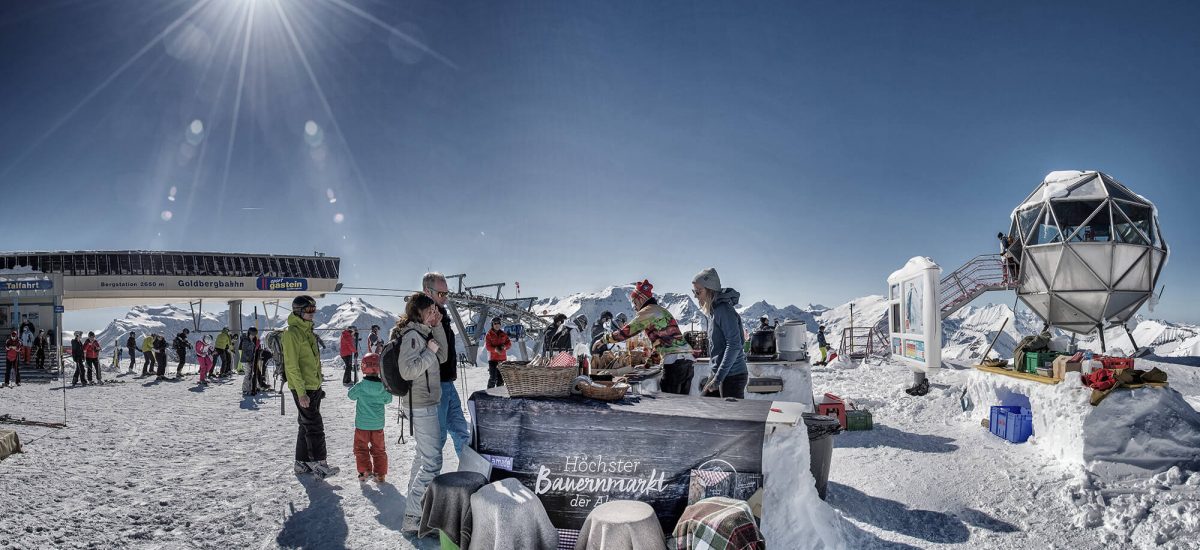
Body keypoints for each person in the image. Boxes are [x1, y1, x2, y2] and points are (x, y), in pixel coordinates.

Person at [394, 292, 444, 533]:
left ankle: (413, 508)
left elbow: (441, 356)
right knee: (432, 463)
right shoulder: (413, 336)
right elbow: (407, 371)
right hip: (421, 405)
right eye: (431, 310)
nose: (434, 313)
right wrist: (429, 352)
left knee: (423, 458)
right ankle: (414, 516)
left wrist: (435, 332)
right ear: (419, 312)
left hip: (422, 404)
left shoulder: (421, 333)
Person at [593, 280, 695, 394]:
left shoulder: (648, 311)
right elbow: (660, 344)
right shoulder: (661, 311)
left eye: (634, 302)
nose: (634, 307)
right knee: (683, 404)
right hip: (688, 361)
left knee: (671, 403)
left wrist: (604, 339)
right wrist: (647, 365)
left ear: (641, 299)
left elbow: (628, 331)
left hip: (674, 363)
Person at [282, 295, 338, 479]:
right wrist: (301, 393)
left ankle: (302, 462)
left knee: (305, 424)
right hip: (303, 388)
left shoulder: (308, 331)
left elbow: (312, 361)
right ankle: (318, 463)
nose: (312, 313)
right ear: (298, 311)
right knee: (314, 425)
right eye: (308, 310)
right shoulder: (292, 334)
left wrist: (318, 384)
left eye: (314, 310)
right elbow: (291, 365)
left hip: (313, 386)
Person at [423, 272, 470, 458]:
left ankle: (471, 475)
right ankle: (422, 485)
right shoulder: (423, 317)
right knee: (437, 439)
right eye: (441, 294)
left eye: (446, 293)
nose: (445, 298)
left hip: (448, 384)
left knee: (461, 431)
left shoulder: (441, 314)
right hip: (435, 386)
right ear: (427, 291)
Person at [692, 268, 748, 399]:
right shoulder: (714, 310)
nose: (695, 295)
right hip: (720, 374)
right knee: (706, 409)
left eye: (698, 291)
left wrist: (718, 379)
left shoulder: (723, 310)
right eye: (694, 291)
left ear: (710, 290)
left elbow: (734, 345)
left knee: (730, 418)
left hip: (732, 376)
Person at [348, 352, 393, 482]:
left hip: (362, 425)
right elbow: (388, 399)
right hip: (378, 425)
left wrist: (357, 386)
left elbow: (350, 396)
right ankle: (380, 474)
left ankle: (364, 472)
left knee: (361, 448)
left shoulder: (361, 386)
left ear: (363, 367)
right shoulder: (383, 387)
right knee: (379, 449)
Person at [484, 317, 512, 388]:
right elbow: (488, 347)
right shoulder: (489, 334)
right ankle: (489, 393)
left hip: (502, 360)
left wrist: (504, 346)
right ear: (492, 325)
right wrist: (495, 349)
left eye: (498, 323)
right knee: (493, 378)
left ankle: (499, 394)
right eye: (495, 324)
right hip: (493, 360)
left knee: (501, 380)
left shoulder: (503, 334)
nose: (497, 325)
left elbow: (509, 344)